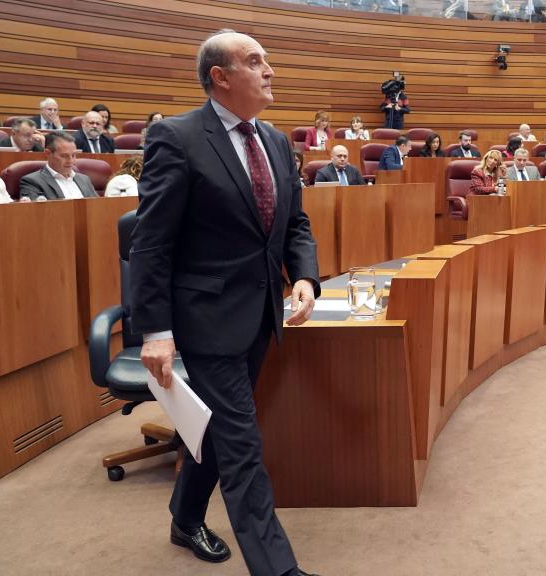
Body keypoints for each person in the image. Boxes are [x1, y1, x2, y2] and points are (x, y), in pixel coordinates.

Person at [131, 30, 321, 576]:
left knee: (219, 427)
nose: (270, 71)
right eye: (256, 62)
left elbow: (295, 224)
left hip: (262, 314)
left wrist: (303, 276)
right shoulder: (177, 136)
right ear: (220, 76)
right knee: (242, 443)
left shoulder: (278, 142)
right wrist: (155, 331)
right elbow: (152, 242)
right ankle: (277, 568)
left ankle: (184, 516)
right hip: (206, 318)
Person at [18, 132, 98, 200]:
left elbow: (97, 207)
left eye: (73, 155)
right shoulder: (33, 182)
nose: (71, 161)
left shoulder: (84, 179)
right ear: (48, 153)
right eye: (64, 156)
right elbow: (36, 214)